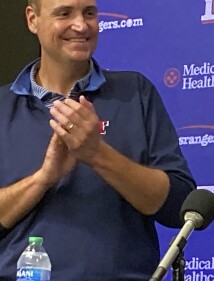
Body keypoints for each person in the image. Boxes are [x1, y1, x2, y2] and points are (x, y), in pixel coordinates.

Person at [0, 0, 196, 280]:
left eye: (89, 13)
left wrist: (97, 154)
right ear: (33, 20)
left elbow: (180, 206)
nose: (81, 25)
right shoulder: (2, 106)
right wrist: (44, 178)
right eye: (64, 13)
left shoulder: (135, 93)